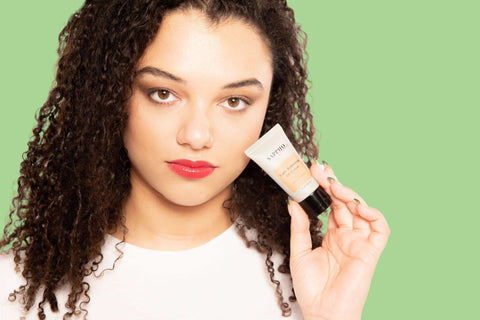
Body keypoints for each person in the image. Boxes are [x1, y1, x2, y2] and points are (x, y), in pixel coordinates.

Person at [0, 0, 390, 319]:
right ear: (108, 97)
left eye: (234, 101)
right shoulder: (11, 288)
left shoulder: (308, 282)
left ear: (268, 113)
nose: (197, 136)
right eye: (163, 94)